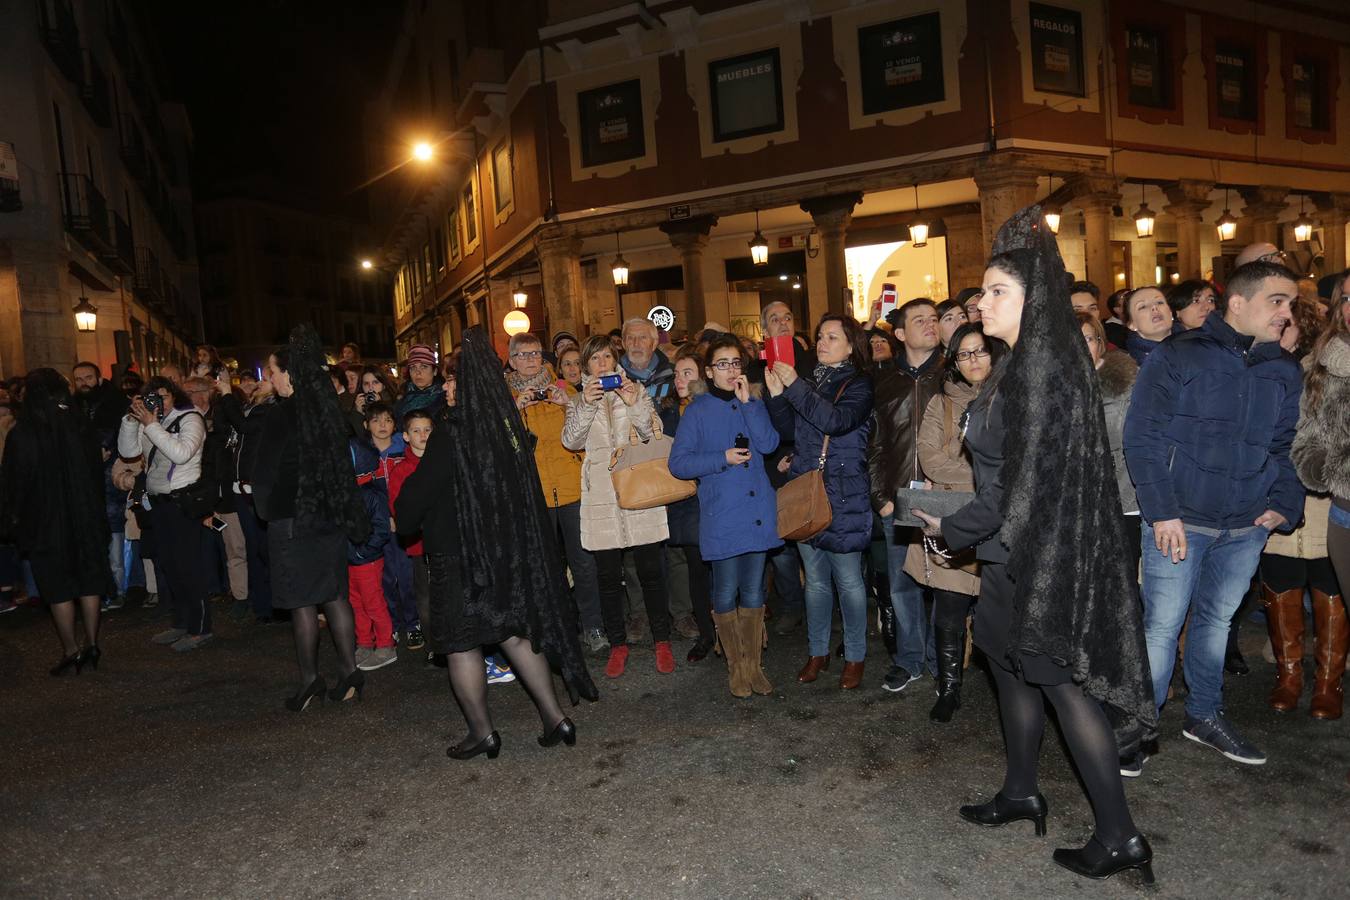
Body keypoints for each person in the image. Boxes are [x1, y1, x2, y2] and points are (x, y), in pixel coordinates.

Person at [914, 205, 1156, 883]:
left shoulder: (1043, 368)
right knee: (1006, 664)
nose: (980, 302)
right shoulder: (1018, 363)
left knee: (1062, 687)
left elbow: (1019, 488)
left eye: (996, 292)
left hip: (1034, 558)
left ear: (1031, 299)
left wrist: (949, 528)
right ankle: (1022, 791)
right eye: (982, 290)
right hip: (1005, 555)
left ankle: (1120, 835)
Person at [1124, 259, 1303, 767]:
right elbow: (1142, 438)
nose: (1286, 313)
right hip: (1181, 520)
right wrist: (1162, 513)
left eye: (1290, 303)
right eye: (1277, 301)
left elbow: (1283, 444)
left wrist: (1282, 504)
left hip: (1246, 524)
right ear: (1239, 303)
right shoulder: (1180, 354)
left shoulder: (1282, 368)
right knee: (1161, 626)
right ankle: (1139, 729)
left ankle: (1204, 715)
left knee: (1217, 622)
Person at [396, 326, 598, 759]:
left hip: (458, 556)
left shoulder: (451, 434)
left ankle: (482, 731)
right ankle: (555, 717)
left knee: (461, 644)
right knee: (512, 634)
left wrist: (408, 512)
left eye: (452, 379)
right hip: (501, 552)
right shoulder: (505, 428)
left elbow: (414, 501)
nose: (446, 386)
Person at [252, 326, 372, 711]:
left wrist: (265, 510)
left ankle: (310, 681)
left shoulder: (281, 415)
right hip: (328, 519)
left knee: (302, 604)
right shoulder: (327, 412)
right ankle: (350, 671)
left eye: (272, 372)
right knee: (335, 596)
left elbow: (265, 472)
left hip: (293, 521)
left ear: (289, 373)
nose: (270, 379)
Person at [767, 314, 875, 689]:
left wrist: (795, 386)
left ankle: (856, 656)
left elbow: (834, 421)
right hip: (808, 490)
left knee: (848, 580)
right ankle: (817, 651)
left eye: (832, 336)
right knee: (814, 581)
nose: (823, 342)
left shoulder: (860, 384)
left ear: (851, 345)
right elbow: (787, 429)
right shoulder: (810, 382)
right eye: (819, 337)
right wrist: (778, 395)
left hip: (843, 493)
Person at [670, 334, 781, 697]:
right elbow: (680, 463)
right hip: (723, 513)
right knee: (725, 590)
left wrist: (750, 404)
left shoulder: (753, 401)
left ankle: (753, 667)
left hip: (757, 510)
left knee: (752, 589)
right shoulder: (698, 409)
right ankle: (735, 667)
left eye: (736, 363)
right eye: (723, 364)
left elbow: (768, 444)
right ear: (708, 370)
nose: (731, 370)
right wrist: (722, 458)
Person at [563, 334, 672, 678]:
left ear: (615, 361)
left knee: (651, 572)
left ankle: (662, 641)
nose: (602, 365)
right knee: (607, 577)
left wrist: (634, 400)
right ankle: (618, 644)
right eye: (594, 360)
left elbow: (654, 431)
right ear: (586, 367)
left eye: (607, 358)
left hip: (638, 486)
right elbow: (571, 441)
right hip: (601, 496)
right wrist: (587, 404)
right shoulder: (579, 400)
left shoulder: (635, 391)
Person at [907, 323, 999, 722]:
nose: (973, 360)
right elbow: (929, 458)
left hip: (999, 520)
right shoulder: (941, 404)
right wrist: (983, 475)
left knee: (999, 610)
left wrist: (970, 472)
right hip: (952, 517)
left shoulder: (1009, 396)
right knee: (948, 608)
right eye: (964, 354)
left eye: (980, 351)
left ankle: (1009, 689)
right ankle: (948, 688)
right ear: (954, 362)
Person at [0, 369, 112, 674]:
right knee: (89, 579)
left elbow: (14, 482)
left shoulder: (23, 433)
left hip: (45, 521)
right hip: (84, 515)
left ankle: (71, 649)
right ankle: (92, 644)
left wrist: (15, 518)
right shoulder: (79, 425)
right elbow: (94, 473)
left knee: (58, 586)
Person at [505, 333, 604, 655]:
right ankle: (553, 628)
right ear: (511, 360)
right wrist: (513, 410)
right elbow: (501, 446)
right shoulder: (503, 396)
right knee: (543, 566)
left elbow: (585, 431)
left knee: (584, 562)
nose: (530, 359)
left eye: (535, 353)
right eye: (522, 355)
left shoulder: (565, 388)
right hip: (534, 493)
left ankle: (593, 626)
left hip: (572, 486)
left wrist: (569, 403)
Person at [870, 299, 944, 692]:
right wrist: (880, 497)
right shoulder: (884, 380)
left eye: (934, 319)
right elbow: (877, 444)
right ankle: (910, 659)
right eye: (920, 321)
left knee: (944, 584)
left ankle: (940, 662)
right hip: (898, 495)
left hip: (944, 495)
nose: (930, 325)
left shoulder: (953, 373)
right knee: (903, 584)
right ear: (899, 334)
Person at [119, 376, 214, 652]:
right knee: (170, 566)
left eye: (164, 397)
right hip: (158, 503)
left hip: (181, 502)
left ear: (176, 396)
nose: (158, 403)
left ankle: (201, 628)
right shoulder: (149, 420)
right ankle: (181, 623)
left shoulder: (190, 419)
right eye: (151, 398)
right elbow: (129, 452)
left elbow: (181, 453)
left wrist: (152, 425)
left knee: (189, 567)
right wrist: (130, 420)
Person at [1290, 293, 1350, 721]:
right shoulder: (1322, 365)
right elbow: (1306, 435)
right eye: (1348, 298)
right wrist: (1324, 470)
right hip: (1346, 516)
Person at [751, 300, 814, 635]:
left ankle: (822, 607)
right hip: (771, 466)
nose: (782, 323)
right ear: (764, 331)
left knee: (813, 537)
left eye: (788, 317)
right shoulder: (753, 371)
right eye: (774, 319)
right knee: (781, 545)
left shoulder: (812, 363)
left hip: (809, 462)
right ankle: (791, 604)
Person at [661, 344, 715, 662]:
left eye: (687, 373)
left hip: (712, 497)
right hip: (684, 500)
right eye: (677, 373)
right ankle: (707, 634)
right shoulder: (668, 411)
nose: (680, 379)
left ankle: (731, 631)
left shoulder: (714, 407)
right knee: (695, 568)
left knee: (717, 570)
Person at [351, 402, 419, 650]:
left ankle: (413, 624)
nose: (382, 425)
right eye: (376, 420)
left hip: (402, 524)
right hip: (375, 528)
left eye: (388, 420)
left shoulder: (404, 450)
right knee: (384, 579)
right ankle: (394, 623)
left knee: (407, 576)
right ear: (366, 424)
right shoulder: (360, 455)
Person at [386, 408, 435, 665]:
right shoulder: (401, 470)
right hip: (420, 546)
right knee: (425, 597)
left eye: (427, 429)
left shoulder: (443, 462)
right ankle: (433, 644)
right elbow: (398, 508)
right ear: (405, 436)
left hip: (448, 543)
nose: (422, 435)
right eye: (416, 430)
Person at [348, 454, 397, 671]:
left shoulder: (371, 494)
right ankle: (365, 643)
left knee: (373, 603)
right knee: (356, 604)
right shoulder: (347, 493)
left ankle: (386, 644)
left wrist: (363, 552)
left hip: (366, 560)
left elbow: (381, 529)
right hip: (350, 559)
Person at [619, 317, 675, 402]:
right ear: (623, 344)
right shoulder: (614, 377)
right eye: (630, 338)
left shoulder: (672, 375)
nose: (636, 343)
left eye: (643, 337)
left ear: (654, 343)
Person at [1123, 286, 1175, 364]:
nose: (1154, 307)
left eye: (1159, 302)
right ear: (1132, 324)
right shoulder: (1130, 367)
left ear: (1170, 312)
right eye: (1143, 307)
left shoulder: (1193, 342)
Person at [394, 344, 444, 423]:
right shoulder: (402, 397)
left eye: (424, 366)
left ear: (435, 371)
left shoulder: (445, 398)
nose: (418, 372)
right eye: (413, 367)